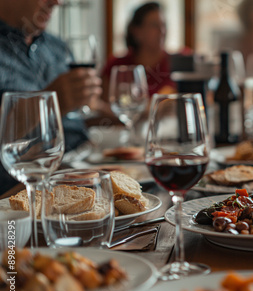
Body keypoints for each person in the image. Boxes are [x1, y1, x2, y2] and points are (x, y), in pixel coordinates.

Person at [0, 0, 102, 195]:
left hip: (83, 171)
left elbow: (87, 110)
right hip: (19, 195)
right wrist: (51, 104)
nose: (57, 2)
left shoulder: (57, 47)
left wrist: (133, 114)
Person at [101, 2, 176, 99]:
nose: (162, 31)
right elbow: (103, 102)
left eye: (164, 25)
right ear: (136, 31)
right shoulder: (117, 65)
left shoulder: (177, 62)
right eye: (154, 25)